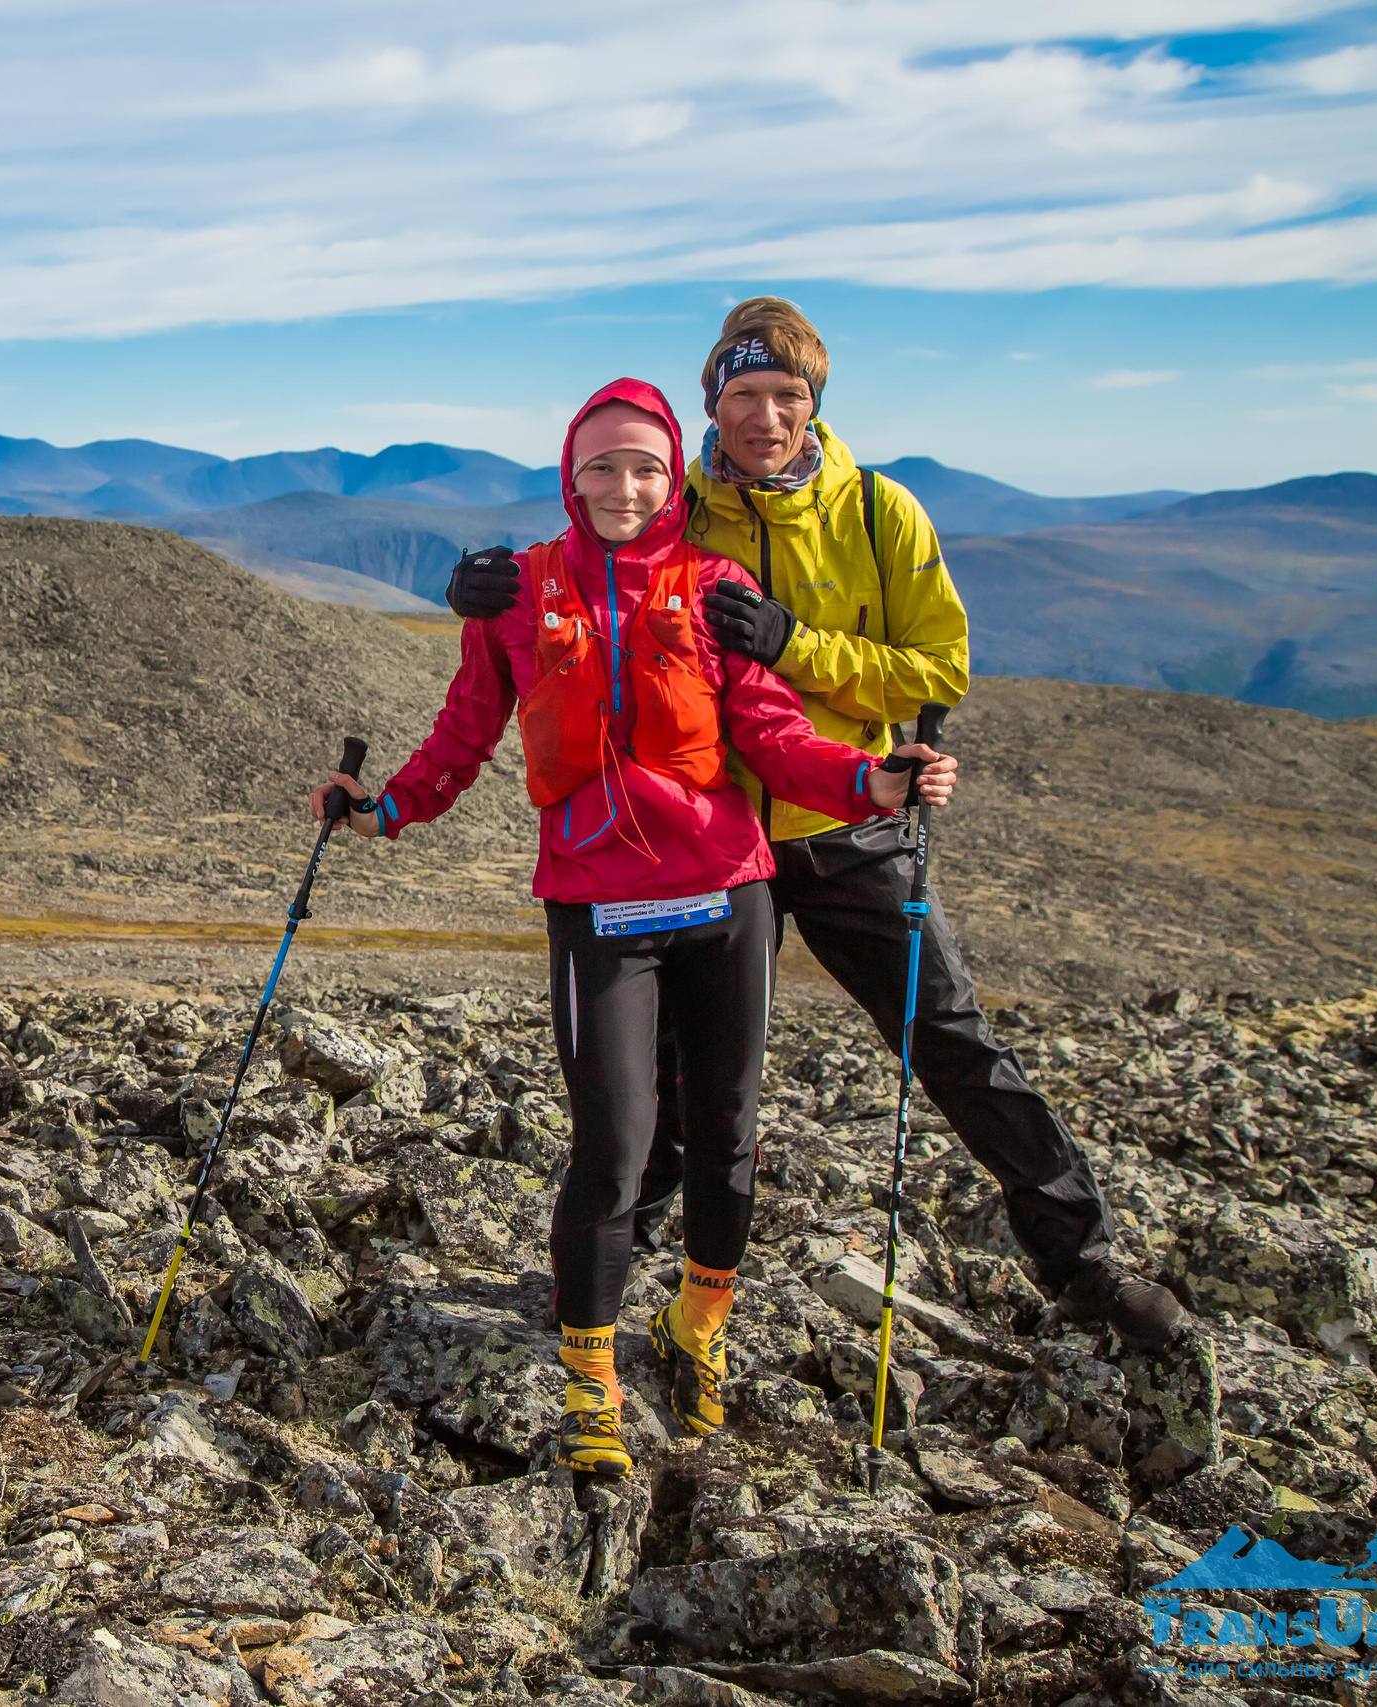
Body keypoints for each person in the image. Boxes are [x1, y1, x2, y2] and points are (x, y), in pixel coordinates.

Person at [444, 298, 1194, 1353]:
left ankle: (1083, 1261)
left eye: (786, 396)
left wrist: (799, 646)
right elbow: (598, 571)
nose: (764, 417)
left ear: (814, 403)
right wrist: (484, 590)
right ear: (712, 402)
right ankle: (599, 1291)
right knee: (662, 1092)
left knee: (947, 1039)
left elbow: (939, 671)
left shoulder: (881, 511)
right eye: (743, 395)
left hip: (840, 829)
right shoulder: (681, 504)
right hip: (708, 852)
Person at [316, 378, 956, 1477]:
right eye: (601, 467)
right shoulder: (519, 593)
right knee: (611, 1151)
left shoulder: (715, 587)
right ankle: (590, 1380)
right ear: (570, 474)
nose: (623, 487)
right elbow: (466, 731)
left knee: (728, 1135)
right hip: (598, 903)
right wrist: (384, 809)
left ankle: (697, 1329)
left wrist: (873, 782)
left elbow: (771, 732)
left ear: (674, 478)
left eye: (647, 468)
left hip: (727, 898)